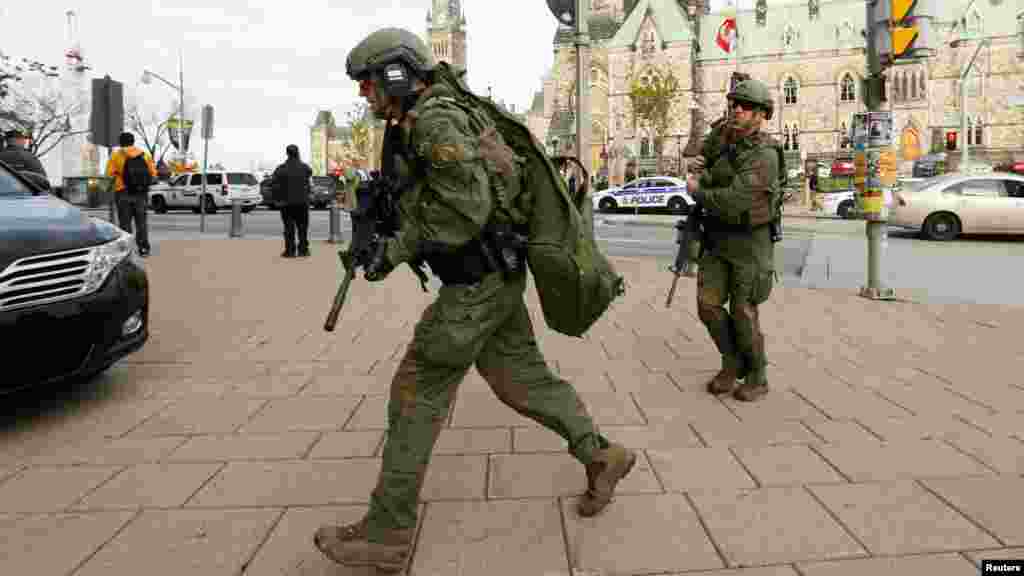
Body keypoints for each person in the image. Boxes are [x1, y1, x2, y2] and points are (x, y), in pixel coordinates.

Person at [312, 27, 636, 573]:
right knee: (522, 380)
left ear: (396, 74)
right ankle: (602, 454)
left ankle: (387, 532)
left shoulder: (435, 120)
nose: (364, 95)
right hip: (494, 277)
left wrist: (395, 248)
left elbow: (466, 209)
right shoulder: (425, 115)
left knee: (416, 391)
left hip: (476, 282)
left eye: (368, 83)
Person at [686, 79, 780, 403]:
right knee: (708, 306)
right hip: (716, 237)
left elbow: (735, 199)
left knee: (743, 311)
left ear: (762, 114)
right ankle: (732, 361)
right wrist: (700, 167)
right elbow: (703, 162)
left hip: (749, 243)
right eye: (734, 104)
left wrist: (699, 191)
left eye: (746, 106)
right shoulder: (722, 137)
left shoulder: (765, 154)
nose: (737, 109)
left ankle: (757, 373)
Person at [106, 132, 157, 256]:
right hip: (141, 194)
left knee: (125, 223)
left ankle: (126, 251)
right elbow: (153, 175)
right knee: (141, 222)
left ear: (121, 142)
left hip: (122, 192)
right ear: (133, 142)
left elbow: (109, 175)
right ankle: (144, 248)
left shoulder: (116, 155)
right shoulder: (144, 155)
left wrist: (108, 189)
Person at [271, 144, 313, 257]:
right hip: (302, 203)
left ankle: (289, 251)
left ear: (287, 153)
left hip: (286, 203)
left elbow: (273, 183)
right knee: (302, 228)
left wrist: (277, 198)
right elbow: (309, 174)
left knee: (289, 228)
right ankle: (303, 250)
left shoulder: (281, 169)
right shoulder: (304, 167)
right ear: (297, 152)